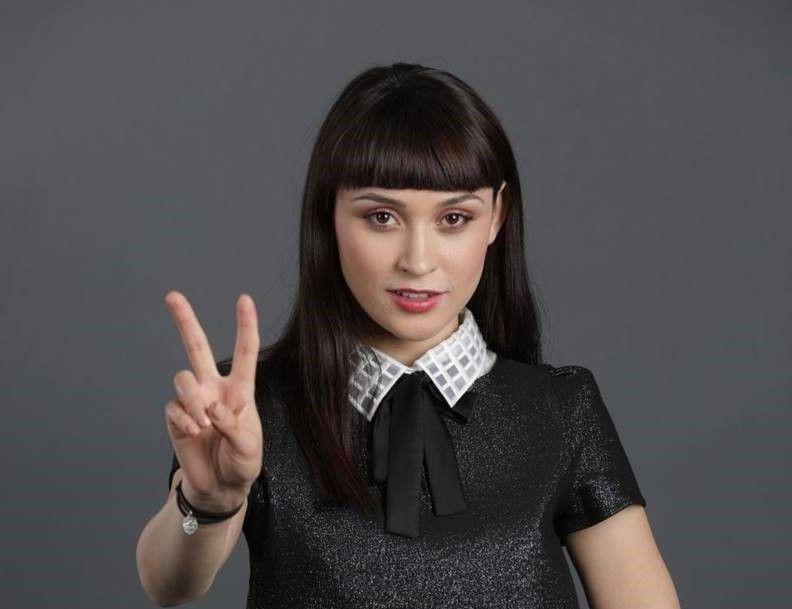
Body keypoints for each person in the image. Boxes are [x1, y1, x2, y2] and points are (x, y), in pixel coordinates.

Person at [136, 62, 682, 608]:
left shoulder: (561, 411)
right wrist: (209, 501)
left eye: (454, 219)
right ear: (329, 214)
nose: (418, 261)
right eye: (381, 217)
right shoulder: (251, 407)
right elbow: (169, 585)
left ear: (496, 216)